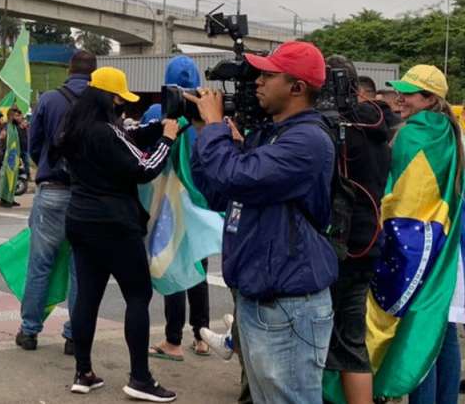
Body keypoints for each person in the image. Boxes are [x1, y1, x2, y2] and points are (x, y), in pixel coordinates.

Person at [186, 41, 338, 403]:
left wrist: (214, 129)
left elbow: (236, 177)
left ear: (297, 88)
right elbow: (220, 192)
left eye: (269, 75)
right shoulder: (269, 134)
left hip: (288, 303)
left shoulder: (308, 140)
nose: (257, 82)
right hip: (261, 297)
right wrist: (201, 132)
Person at [59, 66, 179, 402]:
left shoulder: (74, 128)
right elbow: (143, 169)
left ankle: (83, 372)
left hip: (80, 221)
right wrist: (168, 139)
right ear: (108, 98)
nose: (121, 106)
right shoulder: (106, 133)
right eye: (118, 99)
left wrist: (159, 127)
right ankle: (140, 377)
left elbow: (128, 139)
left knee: (87, 297)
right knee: (138, 296)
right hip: (115, 226)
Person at [373, 65, 462, 404]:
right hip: (445, 245)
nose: (399, 97)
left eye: (408, 93)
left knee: (415, 336)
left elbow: (399, 198)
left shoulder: (413, 133)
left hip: (415, 249)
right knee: (441, 328)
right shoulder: (448, 131)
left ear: (429, 98)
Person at [16, 50, 95, 354]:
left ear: (68, 69)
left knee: (40, 264)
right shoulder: (100, 100)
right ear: (94, 72)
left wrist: (48, 165)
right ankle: (74, 337)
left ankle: (29, 331)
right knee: (81, 270)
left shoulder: (48, 100)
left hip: (51, 190)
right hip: (86, 195)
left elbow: (34, 145)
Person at [323, 56, 391, 404]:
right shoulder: (377, 126)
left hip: (339, 246)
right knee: (352, 341)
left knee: (316, 340)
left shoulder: (336, 130)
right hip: (368, 244)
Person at [146, 56, 212, 361]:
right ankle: (201, 336)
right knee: (198, 268)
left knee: (172, 266)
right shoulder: (209, 115)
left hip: (170, 205)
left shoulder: (159, 112)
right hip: (202, 205)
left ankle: (173, 340)